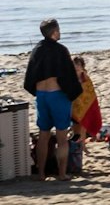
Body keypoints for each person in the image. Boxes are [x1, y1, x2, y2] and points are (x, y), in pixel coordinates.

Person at [24, 19, 80, 181]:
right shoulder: (61, 50)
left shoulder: (37, 49)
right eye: (58, 30)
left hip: (42, 95)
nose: (60, 32)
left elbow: (30, 76)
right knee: (62, 136)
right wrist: (72, 92)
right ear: (54, 32)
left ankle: (41, 173)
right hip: (57, 95)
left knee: (43, 135)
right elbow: (68, 76)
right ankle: (62, 173)